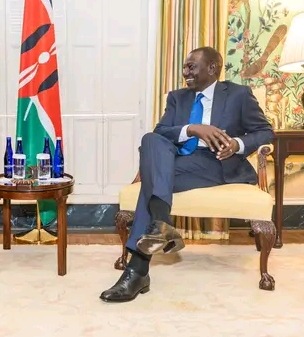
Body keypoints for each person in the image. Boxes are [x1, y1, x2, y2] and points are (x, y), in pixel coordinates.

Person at [100, 47, 274, 303]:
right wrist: (193, 129)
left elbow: (265, 132)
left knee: (152, 182)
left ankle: (137, 271)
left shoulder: (238, 94)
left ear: (212, 68)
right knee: (151, 139)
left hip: (216, 162)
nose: (185, 72)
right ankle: (161, 224)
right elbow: (162, 132)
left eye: (191, 66)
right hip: (177, 161)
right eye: (184, 67)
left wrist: (236, 144)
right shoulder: (177, 97)